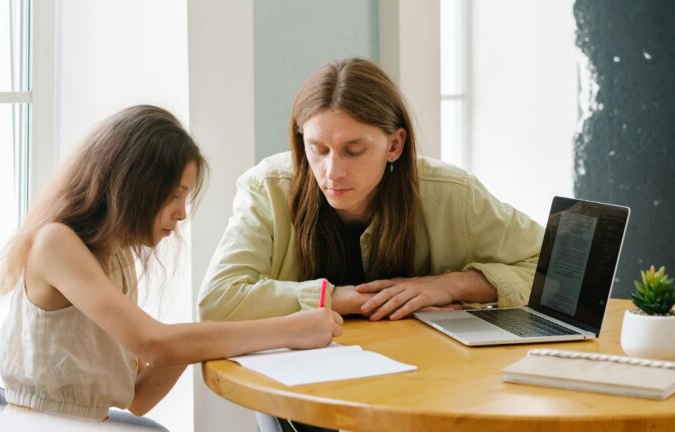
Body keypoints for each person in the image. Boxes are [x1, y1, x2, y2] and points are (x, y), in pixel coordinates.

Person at [198, 58, 544, 431]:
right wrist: (338, 299)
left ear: (394, 145)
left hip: (429, 393)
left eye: (353, 150)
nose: (332, 172)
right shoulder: (266, 188)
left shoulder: (452, 193)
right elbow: (218, 300)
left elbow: (550, 268)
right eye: (318, 148)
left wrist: (450, 284)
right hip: (305, 405)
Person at [0, 105, 343, 425]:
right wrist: (288, 330)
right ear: (132, 185)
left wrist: (204, 334)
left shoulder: (116, 257)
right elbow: (155, 345)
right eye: (174, 195)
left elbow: (141, 396)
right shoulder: (56, 243)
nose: (182, 213)